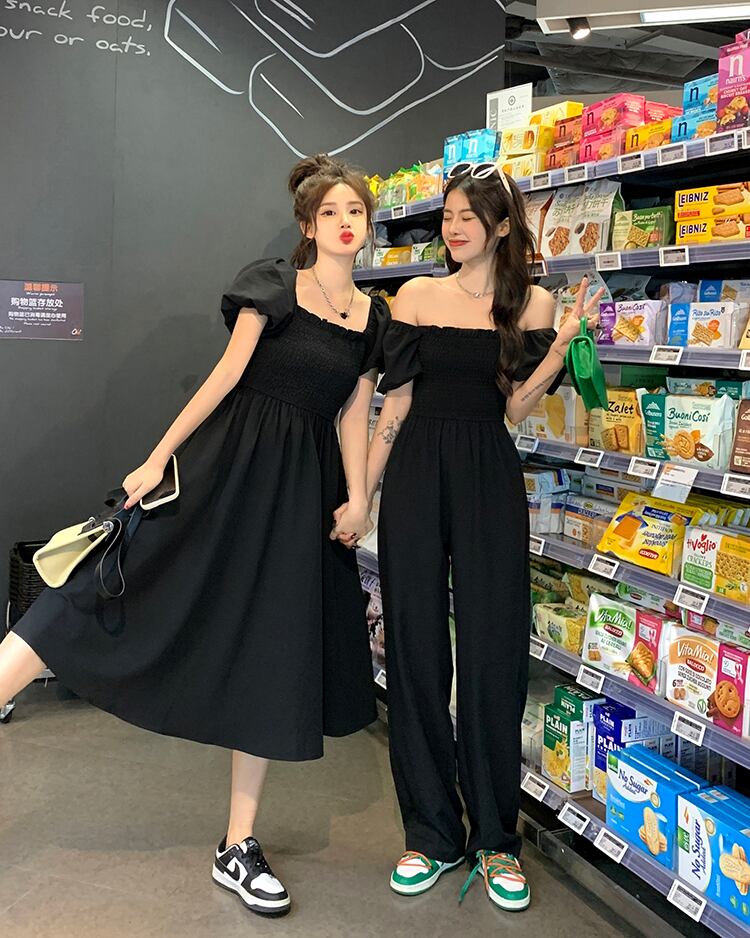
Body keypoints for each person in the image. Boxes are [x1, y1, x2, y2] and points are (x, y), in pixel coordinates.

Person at [0, 154, 389, 918]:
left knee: (273, 656)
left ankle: (238, 845)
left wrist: (358, 498)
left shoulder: (374, 320)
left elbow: (353, 413)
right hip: (226, 470)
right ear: (308, 224)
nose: (346, 222)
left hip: (301, 501)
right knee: (101, 586)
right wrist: (157, 458)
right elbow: (225, 378)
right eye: (332, 211)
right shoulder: (275, 286)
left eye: (356, 211)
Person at [359, 162, 602, 913]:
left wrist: (560, 345)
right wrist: (361, 492)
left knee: (494, 647)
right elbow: (395, 404)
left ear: (500, 226)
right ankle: (430, 833)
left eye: (468, 216)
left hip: (489, 473)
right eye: (448, 216)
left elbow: (516, 409)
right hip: (415, 473)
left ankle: (496, 838)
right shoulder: (414, 295)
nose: (454, 228)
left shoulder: (531, 303)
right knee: (415, 646)